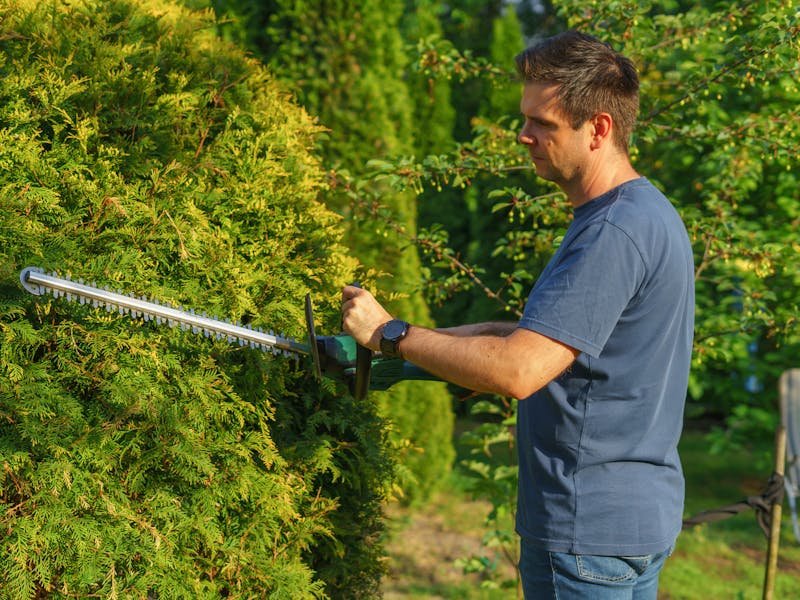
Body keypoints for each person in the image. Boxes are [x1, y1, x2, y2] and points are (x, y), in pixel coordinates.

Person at [342, 30, 694, 599]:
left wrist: (391, 334)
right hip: (632, 521)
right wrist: (415, 354)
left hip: (583, 532)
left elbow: (518, 370)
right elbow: (541, 342)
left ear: (598, 128)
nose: (522, 135)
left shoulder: (610, 231)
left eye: (543, 124)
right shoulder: (647, 213)